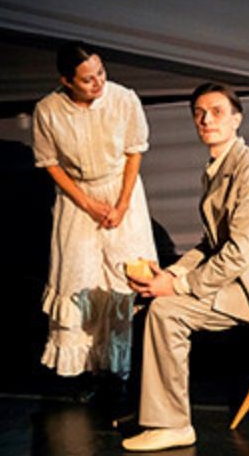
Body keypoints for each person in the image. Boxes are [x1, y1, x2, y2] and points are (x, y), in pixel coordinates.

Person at [123, 82, 249, 452]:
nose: (206, 120)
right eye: (199, 113)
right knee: (149, 303)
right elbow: (212, 243)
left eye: (217, 112)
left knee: (166, 312)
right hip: (237, 279)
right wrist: (172, 273)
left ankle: (172, 425)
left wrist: (178, 287)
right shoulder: (218, 167)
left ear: (237, 119)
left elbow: (237, 253)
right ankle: (151, 409)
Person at [32, 41, 158, 393]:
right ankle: (85, 369)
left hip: (121, 192)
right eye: (87, 79)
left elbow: (134, 152)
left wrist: (121, 204)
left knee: (122, 280)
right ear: (67, 80)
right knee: (79, 278)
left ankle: (119, 368)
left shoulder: (123, 99)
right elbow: (50, 163)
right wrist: (87, 203)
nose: (98, 82)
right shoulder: (48, 110)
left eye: (101, 73)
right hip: (77, 198)